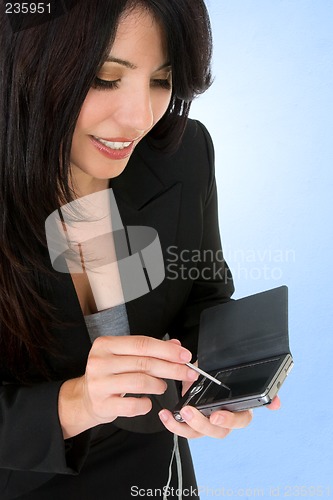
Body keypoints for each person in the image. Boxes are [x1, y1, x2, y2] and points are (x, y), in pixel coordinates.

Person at [0, 1, 280, 498]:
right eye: (106, 78)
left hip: (155, 475)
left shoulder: (183, 154)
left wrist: (217, 381)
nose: (139, 117)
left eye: (161, 79)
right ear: (25, 62)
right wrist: (79, 402)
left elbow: (202, 295)